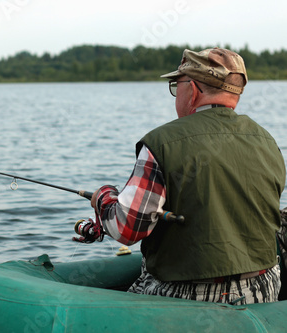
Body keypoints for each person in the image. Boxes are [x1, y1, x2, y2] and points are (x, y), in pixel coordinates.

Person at [89, 48, 286, 304]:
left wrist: (104, 199)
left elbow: (127, 229)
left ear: (192, 89)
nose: (175, 92)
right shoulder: (267, 141)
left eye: (176, 84)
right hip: (264, 287)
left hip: (189, 294)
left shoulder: (161, 143)